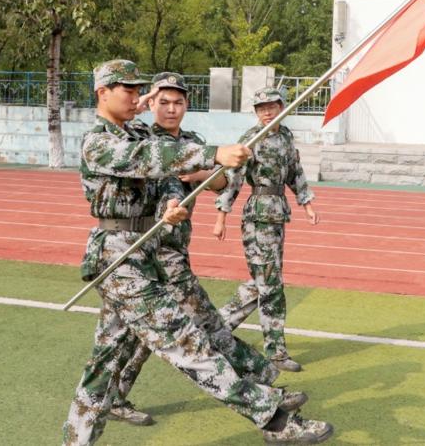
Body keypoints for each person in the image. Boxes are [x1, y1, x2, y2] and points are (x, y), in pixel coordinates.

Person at [62, 60, 333, 446]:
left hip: (144, 255)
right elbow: (152, 159)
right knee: (189, 344)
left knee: (105, 365)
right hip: (120, 259)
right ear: (102, 92)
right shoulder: (99, 141)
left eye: (139, 90)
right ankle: (273, 419)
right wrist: (214, 153)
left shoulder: (136, 131)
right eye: (128, 89)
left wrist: (171, 205)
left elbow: (167, 177)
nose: (136, 96)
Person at [107, 72, 283, 428]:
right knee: (206, 324)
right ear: (152, 104)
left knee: (138, 336)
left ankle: (113, 397)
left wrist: (201, 176)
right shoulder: (141, 140)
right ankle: (262, 387)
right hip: (149, 251)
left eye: (178, 102)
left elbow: (221, 181)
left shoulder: (192, 142)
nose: (171, 109)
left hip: (175, 249)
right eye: (163, 102)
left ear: (187, 105)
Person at [214, 87, 321, 373]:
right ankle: (276, 352)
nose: (267, 112)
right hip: (257, 216)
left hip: (278, 213)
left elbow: (295, 172)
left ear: (282, 107)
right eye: (261, 108)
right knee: (270, 284)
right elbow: (234, 179)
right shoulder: (250, 139)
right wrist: (221, 216)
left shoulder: (285, 137)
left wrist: (307, 204)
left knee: (261, 281)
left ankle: (212, 330)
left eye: (271, 106)